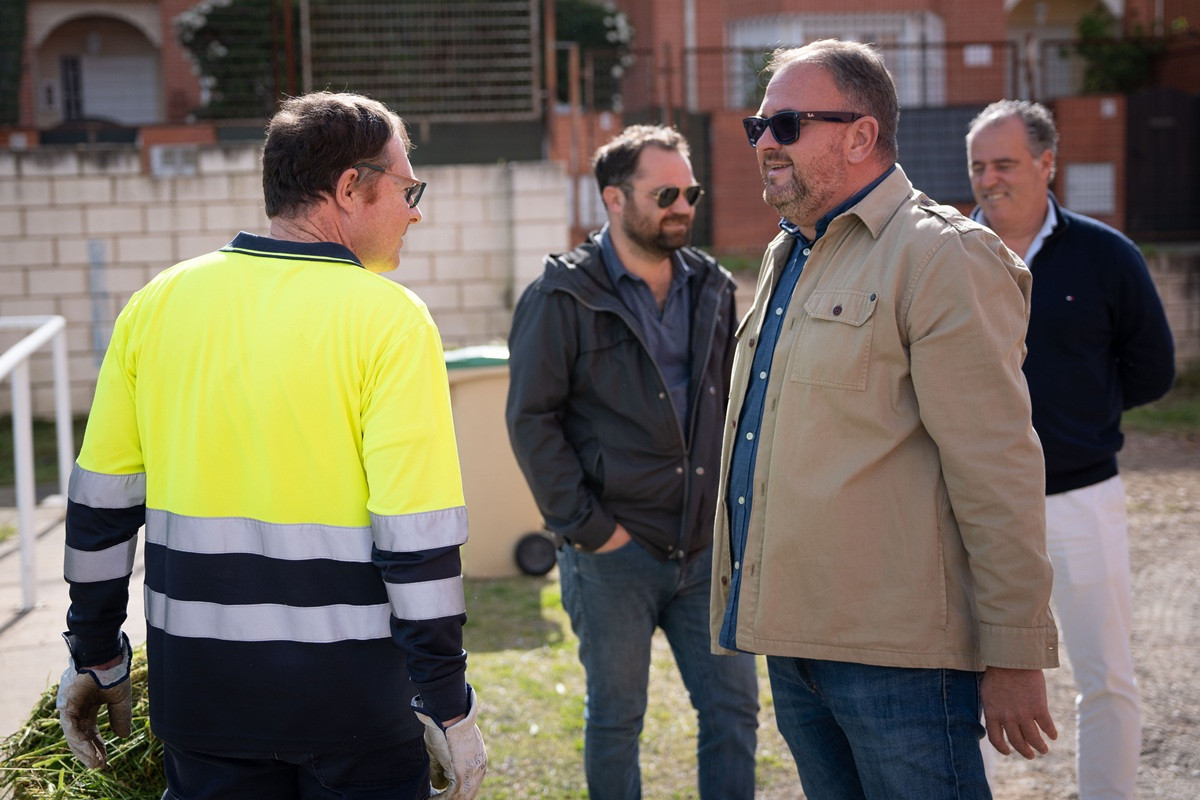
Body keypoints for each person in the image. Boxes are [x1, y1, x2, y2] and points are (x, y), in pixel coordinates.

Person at [55, 92, 486, 800]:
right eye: (409, 188)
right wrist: (445, 700)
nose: (416, 210)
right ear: (350, 186)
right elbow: (419, 540)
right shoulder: (391, 321)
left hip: (200, 700)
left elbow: (100, 509)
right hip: (355, 709)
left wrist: (96, 658)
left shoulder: (155, 304)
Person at [712, 39, 1061, 800]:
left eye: (788, 124)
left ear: (861, 134)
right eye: (758, 126)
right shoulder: (789, 253)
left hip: (898, 659)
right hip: (794, 640)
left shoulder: (942, 256)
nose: (765, 142)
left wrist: (1013, 651)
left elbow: (995, 466)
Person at [505, 124, 759, 800]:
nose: (683, 205)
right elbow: (531, 421)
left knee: (734, 713)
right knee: (617, 721)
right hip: (612, 553)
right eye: (666, 192)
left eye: (691, 192)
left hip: (706, 550)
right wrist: (592, 530)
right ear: (614, 200)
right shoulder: (560, 296)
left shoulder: (711, 284)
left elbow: (733, 407)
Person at [966, 100, 1175, 800]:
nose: (989, 178)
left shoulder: (1106, 254)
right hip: (971, 505)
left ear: (1047, 163)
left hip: (1082, 495)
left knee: (1105, 673)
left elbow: (1152, 368)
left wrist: (1078, 421)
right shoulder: (948, 255)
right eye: (979, 166)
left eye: (1005, 163)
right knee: (964, 679)